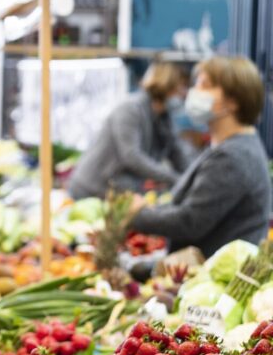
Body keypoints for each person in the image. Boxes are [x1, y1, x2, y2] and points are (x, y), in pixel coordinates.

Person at [130, 56, 271, 257]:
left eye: (205, 85)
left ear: (232, 103)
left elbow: (190, 222)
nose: (193, 92)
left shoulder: (232, 157)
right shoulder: (231, 145)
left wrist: (137, 215)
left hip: (212, 278)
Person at [67, 61, 190, 199]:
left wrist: (190, 178)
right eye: (182, 86)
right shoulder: (130, 110)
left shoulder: (164, 118)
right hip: (91, 189)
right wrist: (175, 179)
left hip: (118, 191)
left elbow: (176, 151)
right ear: (168, 83)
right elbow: (132, 157)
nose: (185, 94)